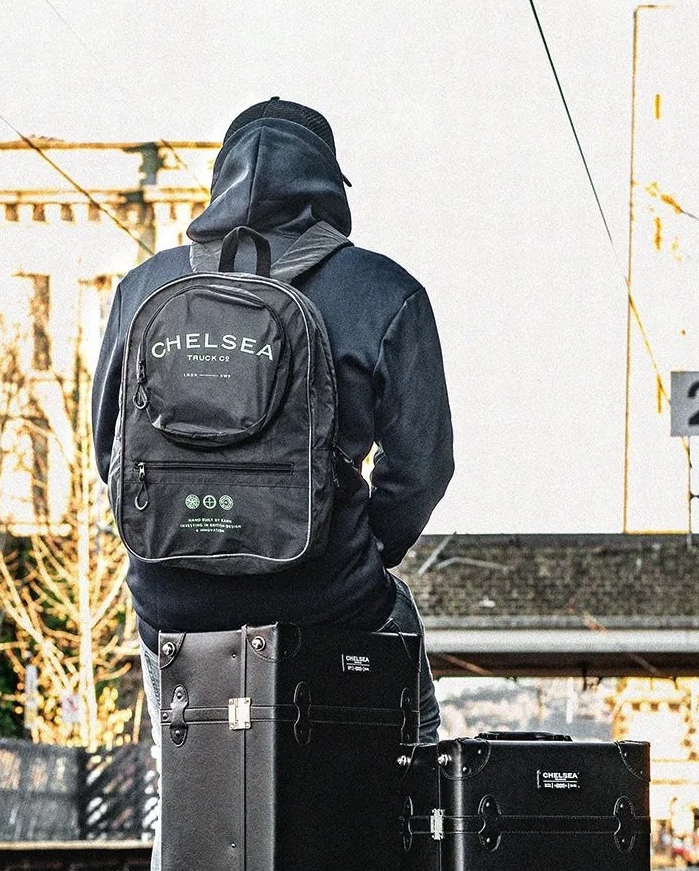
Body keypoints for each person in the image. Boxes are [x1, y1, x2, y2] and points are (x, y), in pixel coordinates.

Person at [93, 98, 454, 745]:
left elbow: (108, 448)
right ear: (328, 188)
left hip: (171, 598)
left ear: (220, 180)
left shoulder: (145, 286)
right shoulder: (385, 292)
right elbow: (423, 468)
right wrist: (360, 550)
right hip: (325, 594)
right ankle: (408, 810)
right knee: (406, 729)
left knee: (182, 794)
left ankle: (178, 826)